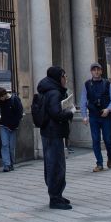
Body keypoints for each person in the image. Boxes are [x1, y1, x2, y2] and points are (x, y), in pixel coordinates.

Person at [36, 65, 76, 209]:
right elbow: (56, 113)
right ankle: (55, 198)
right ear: (58, 78)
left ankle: (57, 194)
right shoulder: (54, 92)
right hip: (53, 133)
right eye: (64, 76)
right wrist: (70, 112)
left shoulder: (48, 90)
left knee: (53, 164)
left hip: (49, 132)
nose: (66, 79)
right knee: (55, 165)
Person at [80, 62, 111, 172]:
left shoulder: (107, 84)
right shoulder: (87, 84)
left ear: (101, 71)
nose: (96, 72)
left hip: (105, 115)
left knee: (107, 140)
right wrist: (84, 116)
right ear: (91, 72)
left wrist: (108, 109)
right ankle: (99, 163)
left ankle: (110, 156)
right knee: (95, 140)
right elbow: (83, 101)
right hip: (93, 116)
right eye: (94, 70)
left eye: (98, 70)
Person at [0, 87, 23, 172]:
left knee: (11, 147)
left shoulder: (15, 99)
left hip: (13, 127)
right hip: (3, 125)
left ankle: (11, 163)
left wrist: (15, 123)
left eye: (0, 97)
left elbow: (20, 113)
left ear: (4, 95)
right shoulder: (2, 101)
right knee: (4, 145)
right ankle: (6, 165)